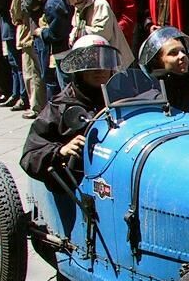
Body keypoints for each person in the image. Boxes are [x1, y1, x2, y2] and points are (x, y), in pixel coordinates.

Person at [20, 35, 119, 189]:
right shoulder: (60, 105)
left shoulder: (122, 96)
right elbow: (30, 154)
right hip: (77, 184)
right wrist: (60, 150)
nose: (99, 68)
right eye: (91, 62)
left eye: (105, 61)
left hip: (117, 173)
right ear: (78, 68)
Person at [60, 0, 135, 68]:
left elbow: (103, 33)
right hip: (94, 59)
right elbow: (75, 26)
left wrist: (79, 31)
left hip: (112, 59)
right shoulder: (78, 6)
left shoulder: (100, 4)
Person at [137, 26, 189, 111]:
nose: (182, 55)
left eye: (183, 51)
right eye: (173, 53)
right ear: (157, 62)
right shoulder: (151, 101)